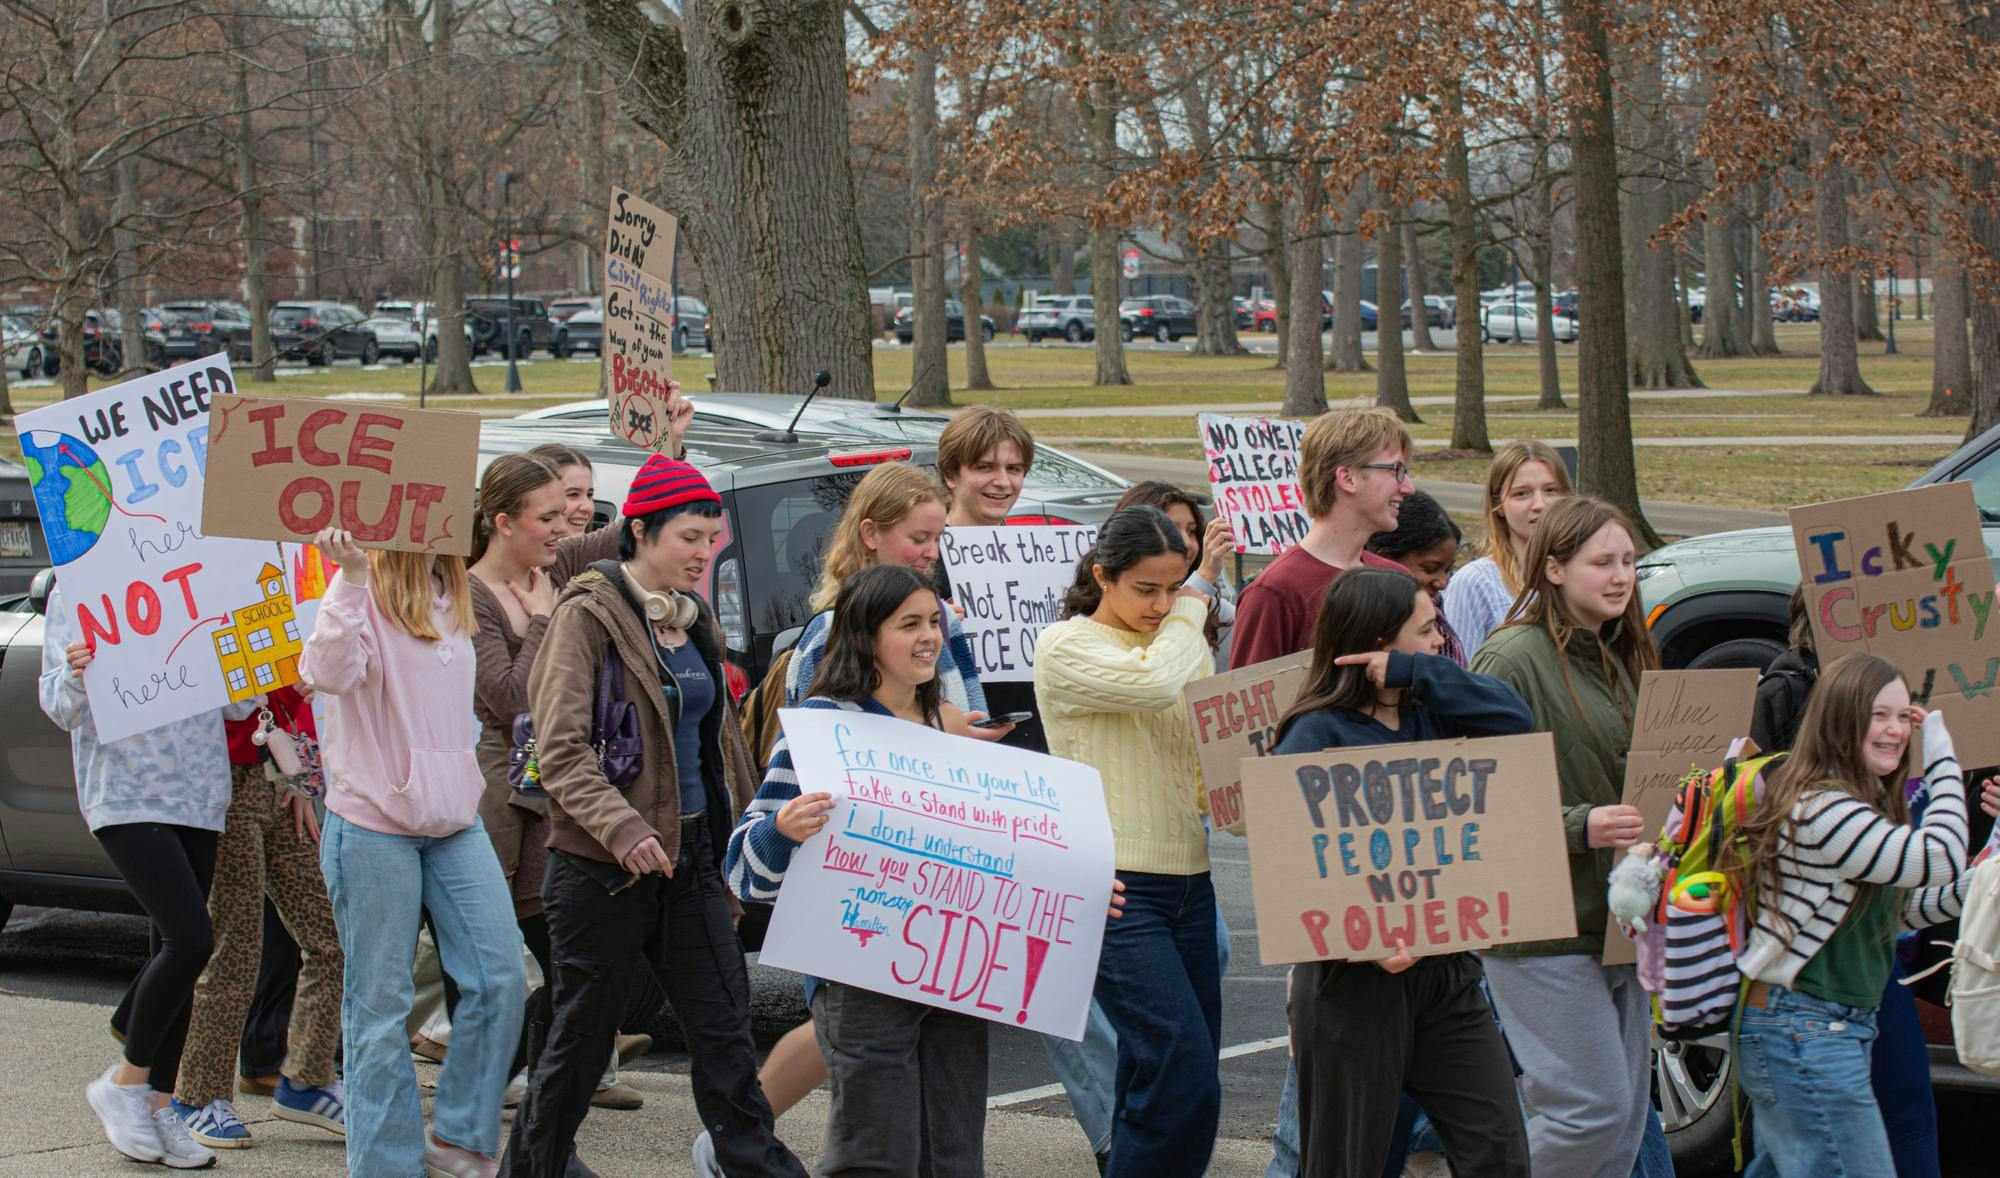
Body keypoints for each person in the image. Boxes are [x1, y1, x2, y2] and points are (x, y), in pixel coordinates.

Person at [501, 456, 803, 1178]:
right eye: (690, 539)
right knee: (579, 1043)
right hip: (604, 872)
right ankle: (531, 1167)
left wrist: (735, 841)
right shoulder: (587, 616)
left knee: (726, 1039)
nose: (704, 555)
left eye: (710, 541)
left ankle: (758, 1166)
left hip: (693, 863)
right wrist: (624, 828)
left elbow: (718, 747)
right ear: (639, 532)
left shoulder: (691, 623)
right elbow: (560, 748)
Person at [727, 563, 991, 1176]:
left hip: (953, 975)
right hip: (861, 977)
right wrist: (781, 830)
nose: (929, 637)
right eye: (910, 625)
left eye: (934, 622)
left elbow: (998, 856)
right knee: (875, 1156)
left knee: (954, 1158)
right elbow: (743, 870)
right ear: (868, 636)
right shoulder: (825, 727)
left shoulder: (956, 729)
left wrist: (1071, 886)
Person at [1274, 567, 1532, 1177]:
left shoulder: (1434, 711)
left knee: (1499, 1146)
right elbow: (1287, 858)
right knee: (1346, 1163)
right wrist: (1357, 940)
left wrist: (1418, 673)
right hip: (1355, 982)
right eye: (1426, 631)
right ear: (1377, 643)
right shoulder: (1315, 733)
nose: (1442, 640)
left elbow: (1515, 722)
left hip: (1446, 975)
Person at [304, 527, 527, 1178]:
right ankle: (386, 1166)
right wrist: (347, 576)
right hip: (373, 824)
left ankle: (459, 1138)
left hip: (453, 820)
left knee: (500, 979)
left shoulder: (451, 593)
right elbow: (325, 674)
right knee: (379, 1007)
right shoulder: (360, 591)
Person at [1468, 495, 1657, 1177]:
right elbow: (1472, 805)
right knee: (1589, 1111)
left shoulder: (1625, 654)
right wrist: (1584, 826)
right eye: (1601, 561)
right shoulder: (1509, 660)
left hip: (1620, 919)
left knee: (1625, 1120)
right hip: (1537, 926)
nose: (1621, 576)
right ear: (1552, 568)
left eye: (1629, 561)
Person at [1727, 653, 1971, 1176]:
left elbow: (1897, 917)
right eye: (1878, 715)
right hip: (1802, 1030)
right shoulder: (1823, 809)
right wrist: (1946, 755)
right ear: (1840, 721)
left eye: (1904, 716)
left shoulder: (1861, 808)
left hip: (1820, 1029)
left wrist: (1986, 885)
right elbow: (1942, 854)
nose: (1896, 730)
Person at [1036, 506, 1222, 1177]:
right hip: (1116, 888)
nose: (1162, 603)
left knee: (1170, 1083)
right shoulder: (1065, 644)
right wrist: (1194, 608)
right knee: (1182, 1071)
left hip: (1191, 881)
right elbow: (1152, 683)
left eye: (1174, 586)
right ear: (1102, 576)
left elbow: (1195, 757)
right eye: (1146, 588)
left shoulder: (1177, 638)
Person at [42, 584, 251, 1169]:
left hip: (200, 792)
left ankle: (161, 1106)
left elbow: (238, 704)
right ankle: (124, 1085)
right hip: (125, 790)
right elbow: (60, 706)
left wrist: (253, 649)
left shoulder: (204, 580)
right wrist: (78, 671)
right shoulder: (81, 584)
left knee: (176, 948)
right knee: (192, 940)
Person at [169, 680, 346, 1149]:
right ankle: (197, 1095)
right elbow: (218, 702)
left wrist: (302, 779)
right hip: (225, 778)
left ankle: (306, 1078)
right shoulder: (214, 610)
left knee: (332, 933)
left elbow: (297, 703)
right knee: (236, 944)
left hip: (281, 774)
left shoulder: (283, 607)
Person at [466, 453, 576, 1103]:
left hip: (542, 788)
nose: (561, 528)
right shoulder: (471, 594)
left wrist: (666, 450)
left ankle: (524, 1065)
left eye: (565, 514)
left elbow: (636, 531)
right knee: (487, 952)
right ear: (504, 523)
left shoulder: (553, 566)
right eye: (548, 517)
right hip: (491, 791)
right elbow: (508, 699)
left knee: (561, 949)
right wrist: (540, 621)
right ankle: (488, 1077)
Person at [1231, 408, 1415, 669]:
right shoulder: (1275, 593)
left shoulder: (1398, 580)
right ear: (1347, 478)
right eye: (1395, 470)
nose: (1408, 487)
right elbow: (1252, 703)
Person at [934, 404, 1048, 751]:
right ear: (952, 475)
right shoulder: (925, 560)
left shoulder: (1040, 555)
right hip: (957, 751)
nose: (1002, 482)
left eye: (1014, 469)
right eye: (985, 467)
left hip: (1036, 744)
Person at [1443, 440, 1569, 659]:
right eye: (1522, 494)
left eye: (1551, 490)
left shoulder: (1582, 575)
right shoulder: (1476, 584)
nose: (1540, 504)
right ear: (1499, 505)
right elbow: (1458, 680)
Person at [1364, 489, 1465, 666]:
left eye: (1449, 569)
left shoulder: (1436, 609)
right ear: (1385, 560)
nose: (1443, 582)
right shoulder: (1365, 620)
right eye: (1430, 568)